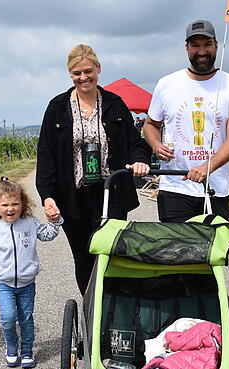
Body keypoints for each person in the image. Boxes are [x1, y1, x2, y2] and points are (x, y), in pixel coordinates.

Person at [36, 44, 150, 294]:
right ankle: (91, 312)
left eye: (88, 71)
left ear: (98, 69)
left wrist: (140, 160)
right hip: (73, 197)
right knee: (84, 257)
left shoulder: (115, 104)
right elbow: (46, 155)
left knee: (112, 254)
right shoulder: (57, 107)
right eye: (77, 73)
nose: (83, 77)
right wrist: (48, 197)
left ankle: (113, 309)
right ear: (70, 74)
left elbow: (134, 143)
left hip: (111, 193)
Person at [143, 19, 229, 222]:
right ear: (186, 48)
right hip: (175, 187)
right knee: (175, 252)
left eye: (207, 44)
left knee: (213, 253)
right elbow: (150, 125)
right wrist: (156, 145)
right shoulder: (167, 84)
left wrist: (207, 167)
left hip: (214, 188)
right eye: (195, 45)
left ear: (217, 45)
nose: (202, 51)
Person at [0, 178, 63, 368]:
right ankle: (11, 347)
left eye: (15, 203)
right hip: (4, 284)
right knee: (7, 318)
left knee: (25, 318)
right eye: (5, 204)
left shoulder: (30, 223)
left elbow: (47, 235)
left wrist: (55, 221)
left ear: (23, 204)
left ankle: (28, 351)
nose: (10, 208)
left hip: (27, 283)